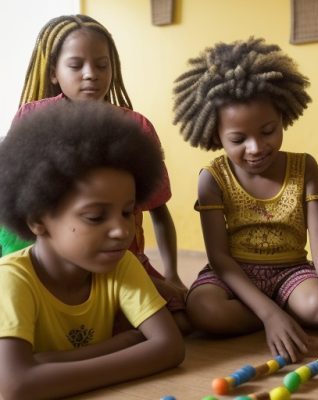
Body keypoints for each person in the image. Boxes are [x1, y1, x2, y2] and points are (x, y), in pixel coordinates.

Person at [2, 14, 187, 332]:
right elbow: (19, 206)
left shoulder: (136, 127)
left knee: (183, 319)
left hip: (118, 257)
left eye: (102, 65)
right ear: (54, 73)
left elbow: (159, 211)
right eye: (76, 65)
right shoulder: (33, 118)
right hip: (54, 263)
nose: (91, 75)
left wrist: (171, 274)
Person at [174, 37, 318, 361]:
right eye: (239, 139)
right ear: (216, 135)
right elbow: (219, 257)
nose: (256, 148)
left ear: (283, 117)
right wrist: (271, 315)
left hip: (291, 271)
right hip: (235, 274)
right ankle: (275, 317)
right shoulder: (213, 177)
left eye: (268, 131)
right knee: (204, 308)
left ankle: (278, 314)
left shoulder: (304, 167)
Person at [0, 101, 185, 399]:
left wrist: (49, 364)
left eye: (127, 212)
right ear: (37, 220)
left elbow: (170, 348)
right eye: (96, 217)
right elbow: (14, 386)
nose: (122, 231)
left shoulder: (121, 263)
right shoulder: (12, 280)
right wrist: (127, 343)